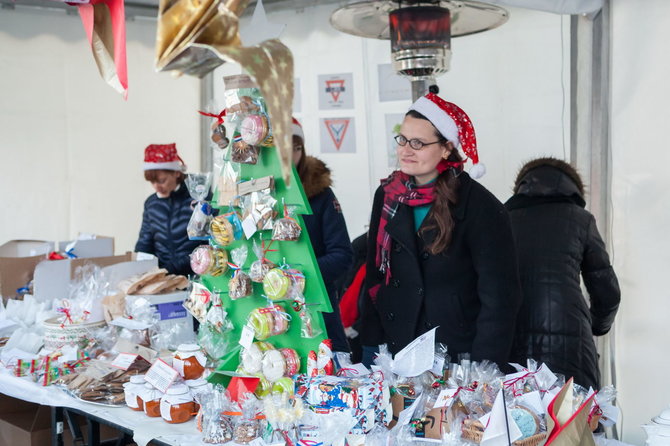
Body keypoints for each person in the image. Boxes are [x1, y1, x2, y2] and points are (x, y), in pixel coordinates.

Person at [360, 87, 522, 367]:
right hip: (396, 346)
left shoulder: (481, 206)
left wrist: (484, 369)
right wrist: (370, 342)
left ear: (446, 147)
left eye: (418, 143)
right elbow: (375, 274)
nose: (405, 151)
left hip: (454, 354)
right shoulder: (387, 195)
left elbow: (500, 299)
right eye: (402, 139)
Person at [505, 157, 621, 390]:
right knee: (574, 420)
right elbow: (607, 292)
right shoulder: (581, 220)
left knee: (515, 421)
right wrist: (598, 326)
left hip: (510, 338)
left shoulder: (503, 219)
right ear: (573, 189)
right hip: (571, 345)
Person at [292, 118, 353, 354]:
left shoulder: (320, 193)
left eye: (296, 148)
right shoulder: (251, 195)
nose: (289, 157)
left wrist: (294, 278)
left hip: (316, 313)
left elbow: (342, 255)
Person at [135, 143, 202, 276]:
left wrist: (170, 268)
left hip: (195, 274)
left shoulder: (198, 197)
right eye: (152, 182)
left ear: (176, 173)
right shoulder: (151, 203)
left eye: (161, 181)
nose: (156, 187)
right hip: (163, 277)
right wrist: (139, 267)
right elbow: (145, 242)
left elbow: (206, 242)